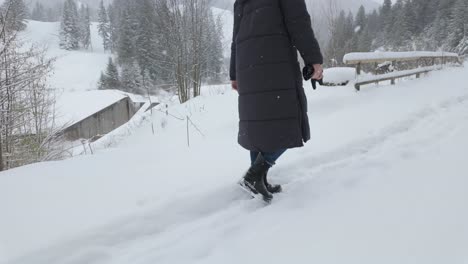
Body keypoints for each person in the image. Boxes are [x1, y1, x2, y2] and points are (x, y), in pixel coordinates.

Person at [230, 0, 323, 202]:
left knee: (259, 125)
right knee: (290, 122)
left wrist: (234, 73)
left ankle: (259, 178)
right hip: (275, 62)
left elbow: (235, 37)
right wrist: (313, 59)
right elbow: (298, 22)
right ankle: (254, 175)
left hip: (248, 66)